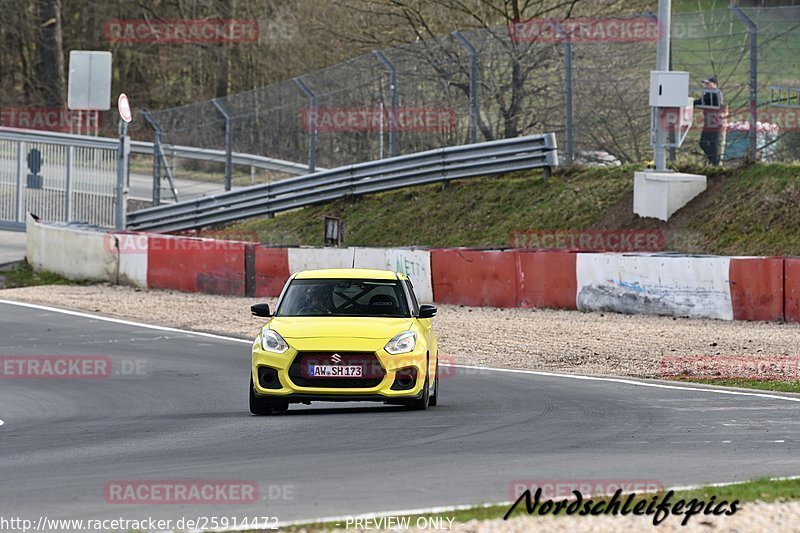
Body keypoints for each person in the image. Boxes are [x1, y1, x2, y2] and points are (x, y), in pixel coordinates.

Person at [694, 76, 724, 165]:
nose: (706, 86)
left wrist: (689, 103)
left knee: (707, 143)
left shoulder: (713, 93)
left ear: (715, 84)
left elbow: (701, 101)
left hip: (713, 123)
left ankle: (715, 161)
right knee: (711, 145)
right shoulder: (714, 93)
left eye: (708, 84)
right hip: (712, 123)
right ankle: (715, 161)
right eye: (706, 84)